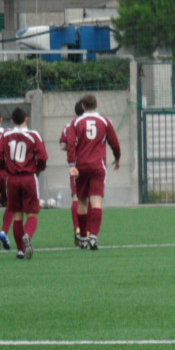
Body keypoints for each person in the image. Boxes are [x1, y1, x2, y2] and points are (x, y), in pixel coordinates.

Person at [66, 93, 121, 250]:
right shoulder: (104, 121)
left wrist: (72, 164)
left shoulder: (75, 122)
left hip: (81, 166)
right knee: (96, 201)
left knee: (82, 201)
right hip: (98, 166)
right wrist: (117, 159)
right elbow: (115, 143)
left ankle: (83, 237)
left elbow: (71, 144)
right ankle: (93, 237)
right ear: (96, 105)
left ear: (82, 106)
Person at [0, 108, 47, 259]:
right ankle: (27, 235)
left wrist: (6, 167)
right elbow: (43, 157)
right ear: (26, 119)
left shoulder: (6, 135)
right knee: (32, 213)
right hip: (29, 177)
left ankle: (20, 250)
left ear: (12, 121)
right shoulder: (34, 135)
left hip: (12, 179)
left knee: (17, 215)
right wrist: (38, 170)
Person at [58, 99, 86, 246]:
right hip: (90, 164)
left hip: (74, 166)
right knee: (90, 199)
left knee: (76, 198)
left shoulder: (69, 126)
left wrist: (72, 149)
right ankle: (87, 232)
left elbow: (62, 145)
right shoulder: (89, 124)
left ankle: (77, 229)